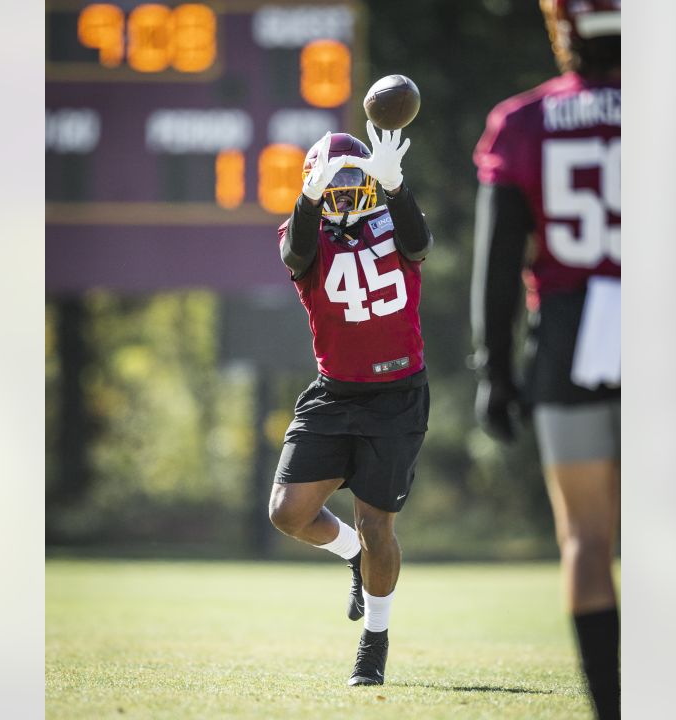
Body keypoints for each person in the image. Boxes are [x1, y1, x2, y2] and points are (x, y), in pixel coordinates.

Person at [470, 1, 621, 717]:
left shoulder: (525, 121)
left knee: (587, 538)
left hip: (568, 330)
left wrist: (495, 371)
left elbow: (499, 266)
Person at [268, 123, 432, 687]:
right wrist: (309, 197)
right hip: (334, 390)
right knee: (287, 513)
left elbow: (419, 244)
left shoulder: (392, 219)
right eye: (329, 185)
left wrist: (395, 187)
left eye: (350, 183)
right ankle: (348, 558)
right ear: (313, 186)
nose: (342, 193)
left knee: (375, 527)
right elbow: (296, 251)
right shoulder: (303, 232)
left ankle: (375, 642)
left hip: (396, 395)